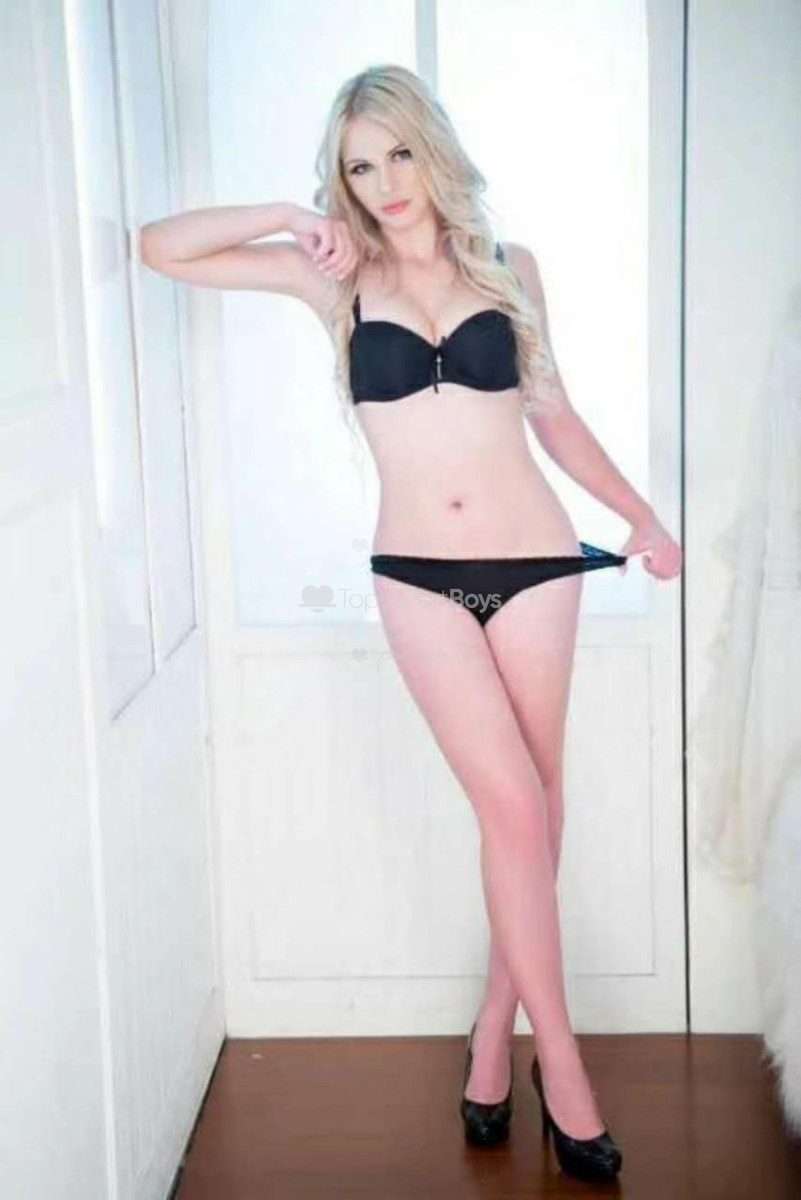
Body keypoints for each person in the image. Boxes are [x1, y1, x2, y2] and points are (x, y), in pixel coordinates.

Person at [140, 63, 682, 1184]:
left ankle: (490, 1040)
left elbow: (552, 414)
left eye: (397, 154)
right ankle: (561, 1069)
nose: (384, 183)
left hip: (540, 566)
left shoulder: (508, 267)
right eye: (357, 166)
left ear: (431, 150)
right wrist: (287, 214)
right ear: (338, 180)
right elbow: (161, 248)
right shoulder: (332, 275)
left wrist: (640, 516)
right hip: (418, 579)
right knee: (515, 809)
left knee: (534, 812)